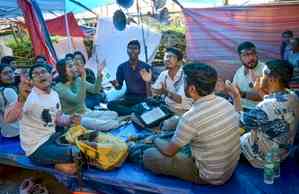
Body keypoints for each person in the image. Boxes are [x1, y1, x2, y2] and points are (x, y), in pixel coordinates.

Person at [143, 63, 240, 185]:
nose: (182, 85)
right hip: (229, 169)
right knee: (176, 127)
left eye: (184, 82)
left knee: (149, 155)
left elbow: (169, 152)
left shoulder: (190, 118)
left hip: (211, 177)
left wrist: (154, 139)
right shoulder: (225, 103)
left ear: (192, 89)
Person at [226, 59, 299, 168]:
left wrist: (236, 95)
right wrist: (260, 90)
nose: (260, 77)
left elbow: (238, 121)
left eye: (263, 74)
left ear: (273, 79)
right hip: (282, 153)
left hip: (262, 159)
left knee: (225, 137)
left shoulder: (265, 107)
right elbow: (273, 104)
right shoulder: (293, 96)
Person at [19, 63, 80, 174]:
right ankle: (58, 164)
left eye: (43, 72)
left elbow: (58, 119)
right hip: (37, 148)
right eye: (35, 74)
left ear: (51, 75)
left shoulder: (54, 94)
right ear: (32, 81)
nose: (40, 75)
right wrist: (20, 100)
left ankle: (60, 162)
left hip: (52, 137)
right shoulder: (29, 97)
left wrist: (70, 119)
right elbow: (8, 118)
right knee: (79, 153)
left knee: (83, 138)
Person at [54, 59, 120, 131]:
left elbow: (95, 90)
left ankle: (94, 123)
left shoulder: (77, 80)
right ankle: (98, 123)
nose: (74, 68)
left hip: (86, 112)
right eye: (70, 66)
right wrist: (83, 78)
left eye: (74, 65)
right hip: (75, 119)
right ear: (63, 71)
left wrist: (99, 75)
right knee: (113, 124)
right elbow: (77, 100)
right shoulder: (59, 87)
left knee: (114, 114)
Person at [151, 47, 192, 130]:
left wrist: (164, 92)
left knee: (166, 125)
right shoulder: (164, 74)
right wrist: (148, 81)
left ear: (179, 62)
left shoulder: (185, 75)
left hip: (183, 111)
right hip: (167, 108)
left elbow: (179, 100)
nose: (167, 59)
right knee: (141, 117)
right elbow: (154, 93)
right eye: (166, 57)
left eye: (171, 57)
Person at [107, 40, 152, 116]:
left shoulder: (146, 66)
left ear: (139, 51)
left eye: (135, 48)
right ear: (127, 50)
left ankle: (132, 111)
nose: (132, 51)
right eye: (130, 48)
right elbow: (119, 87)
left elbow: (150, 92)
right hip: (128, 98)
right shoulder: (122, 67)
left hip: (142, 98)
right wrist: (115, 84)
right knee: (110, 104)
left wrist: (148, 81)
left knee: (149, 107)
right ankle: (134, 112)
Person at [233, 41, 265, 109]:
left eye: (253, 53)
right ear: (240, 57)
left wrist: (242, 94)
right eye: (245, 55)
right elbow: (234, 91)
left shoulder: (265, 70)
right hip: (242, 109)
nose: (251, 58)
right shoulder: (239, 72)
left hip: (260, 111)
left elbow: (267, 96)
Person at [0, 64, 19, 137]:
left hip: (6, 133)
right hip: (18, 132)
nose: (10, 75)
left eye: (11, 72)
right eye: (5, 73)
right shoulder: (8, 91)